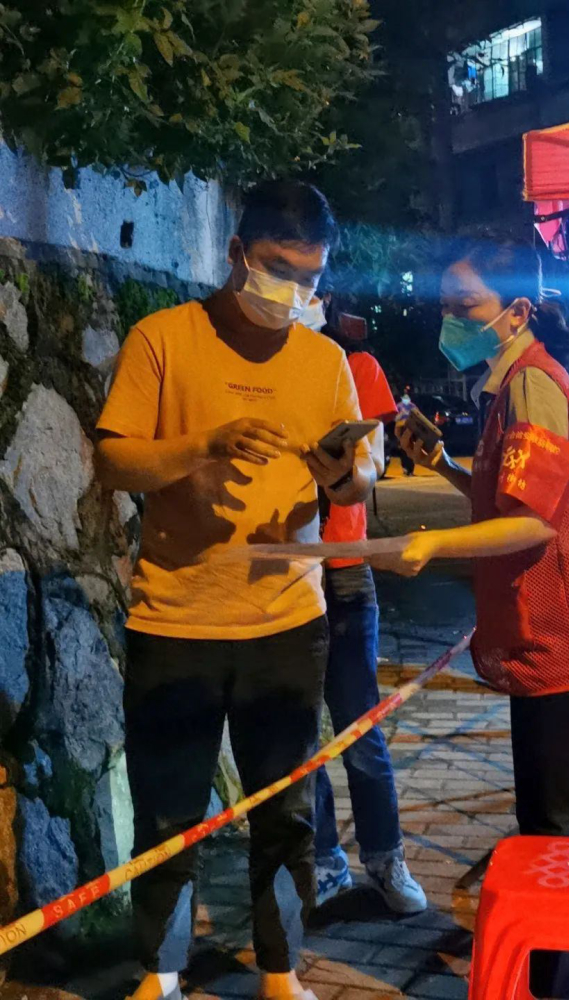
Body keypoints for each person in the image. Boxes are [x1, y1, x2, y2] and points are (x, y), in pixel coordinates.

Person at [95, 181, 376, 1000]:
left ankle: (281, 971)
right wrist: (203, 446)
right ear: (234, 253)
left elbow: (359, 482)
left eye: (310, 278)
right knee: (167, 812)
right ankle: (161, 972)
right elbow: (114, 460)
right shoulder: (163, 338)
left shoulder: (324, 360)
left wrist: (343, 475)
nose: (293, 293)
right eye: (277, 269)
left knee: (285, 811)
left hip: (288, 622)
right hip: (174, 619)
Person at [377, 234, 569, 1000]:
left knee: (553, 824)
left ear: (517, 311)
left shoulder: (533, 384)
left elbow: (529, 523)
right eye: (446, 306)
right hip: (568, 632)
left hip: (563, 635)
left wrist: (431, 542)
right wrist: (440, 466)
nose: (452, 320)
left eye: (465, 305)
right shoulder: (516, 382)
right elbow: (508, 501)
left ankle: (563, 981)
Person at [298, 294, 427, 912]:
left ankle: (385, 857)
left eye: (309, 288)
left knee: (359, 726)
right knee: (301, 735)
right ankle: (325, 859)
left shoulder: (357, 366)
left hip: (346, 570)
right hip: (287, 573)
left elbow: (374, 457)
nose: (298, 300)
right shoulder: (263, 369)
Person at [396, 387, 416, 476]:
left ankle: (411, 469)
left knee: (411, 448)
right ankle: (405, 468)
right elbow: (395, 419)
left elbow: (418, 416)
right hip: (401, 428)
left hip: (410, 429)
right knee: (403, 449)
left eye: (407, 397)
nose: (406, 399)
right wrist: (401, 414)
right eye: (404, 397)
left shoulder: (413, 406)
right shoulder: (399, 406)